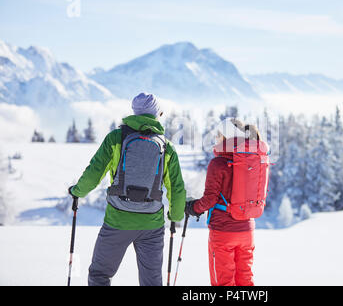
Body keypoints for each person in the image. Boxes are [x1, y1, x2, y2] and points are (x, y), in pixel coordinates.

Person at [68, 93, 186, 286]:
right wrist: (175, 216)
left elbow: (94, 172)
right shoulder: (166, 146)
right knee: (152, 282)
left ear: (134, 111)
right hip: (152, 224)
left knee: (100, 275)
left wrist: (77, 192)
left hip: (118, 220)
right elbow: (177, 187)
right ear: (157, 114)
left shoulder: (116, 138)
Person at [185, 119, 264, 286]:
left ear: (226, 137)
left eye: (218, 135)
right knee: (245, 281)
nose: (216, 139)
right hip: (247, 231)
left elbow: (210, 199)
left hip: (223, 232)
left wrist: (192, 207)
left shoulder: (218, 163)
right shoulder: (253, 160)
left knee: (223, 283)